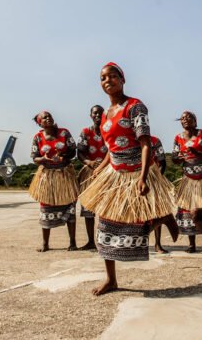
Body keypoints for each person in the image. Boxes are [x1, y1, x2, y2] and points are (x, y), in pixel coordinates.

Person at [79, 62, 178, 296]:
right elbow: (110, 149)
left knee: (133, 225)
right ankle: (110, 279)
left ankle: (162, 217)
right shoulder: (104, 115)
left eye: (113, 76)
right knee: (104, 227)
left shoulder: (135, 107)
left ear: (122, 80)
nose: (108, 80)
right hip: (114, 174)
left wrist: (143, 177)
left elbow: (145, 145)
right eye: (103, 78)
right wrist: (99, 169)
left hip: (136, 170)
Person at [28, 111, 78, 252]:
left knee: (70, 207)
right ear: (39, 123)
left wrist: (64, 156)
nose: (48, 118)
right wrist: (43, 159)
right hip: (48, 177)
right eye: (44, 117)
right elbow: (34, 157)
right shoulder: (38, 137)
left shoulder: (64, 133)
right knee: (45, 207)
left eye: (49, 116)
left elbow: (73, 151)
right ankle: (45, 244)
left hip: (64, 175)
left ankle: (73, 242)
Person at [171, 111, 202, 253]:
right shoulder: (178, 138)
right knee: (187, 209)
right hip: (188, 178)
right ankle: (191, 244)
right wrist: (178, 158)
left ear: (195, 121)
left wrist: (198, 153)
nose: (185, 120)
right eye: (182, 118)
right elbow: (174, 158)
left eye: (188, 117)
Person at [76, 105, 107, 251]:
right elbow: (80, 153)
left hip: (108, 174)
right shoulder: (86, 132)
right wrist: (89, 163)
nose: (98, 115)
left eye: (100, 113)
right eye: (95, 113)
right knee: (89, 209)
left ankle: (105, 240)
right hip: (90, 173)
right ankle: (90, 242)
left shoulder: (109, 131)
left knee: (106, 209)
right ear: (91, 115)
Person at [150, 135, 170, 253]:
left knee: (157, 212)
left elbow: (162, 162)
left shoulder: (155, 141)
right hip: (132, 178)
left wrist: (158, 179)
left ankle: (157, 244)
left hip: (154, 178)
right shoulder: (129, 139)